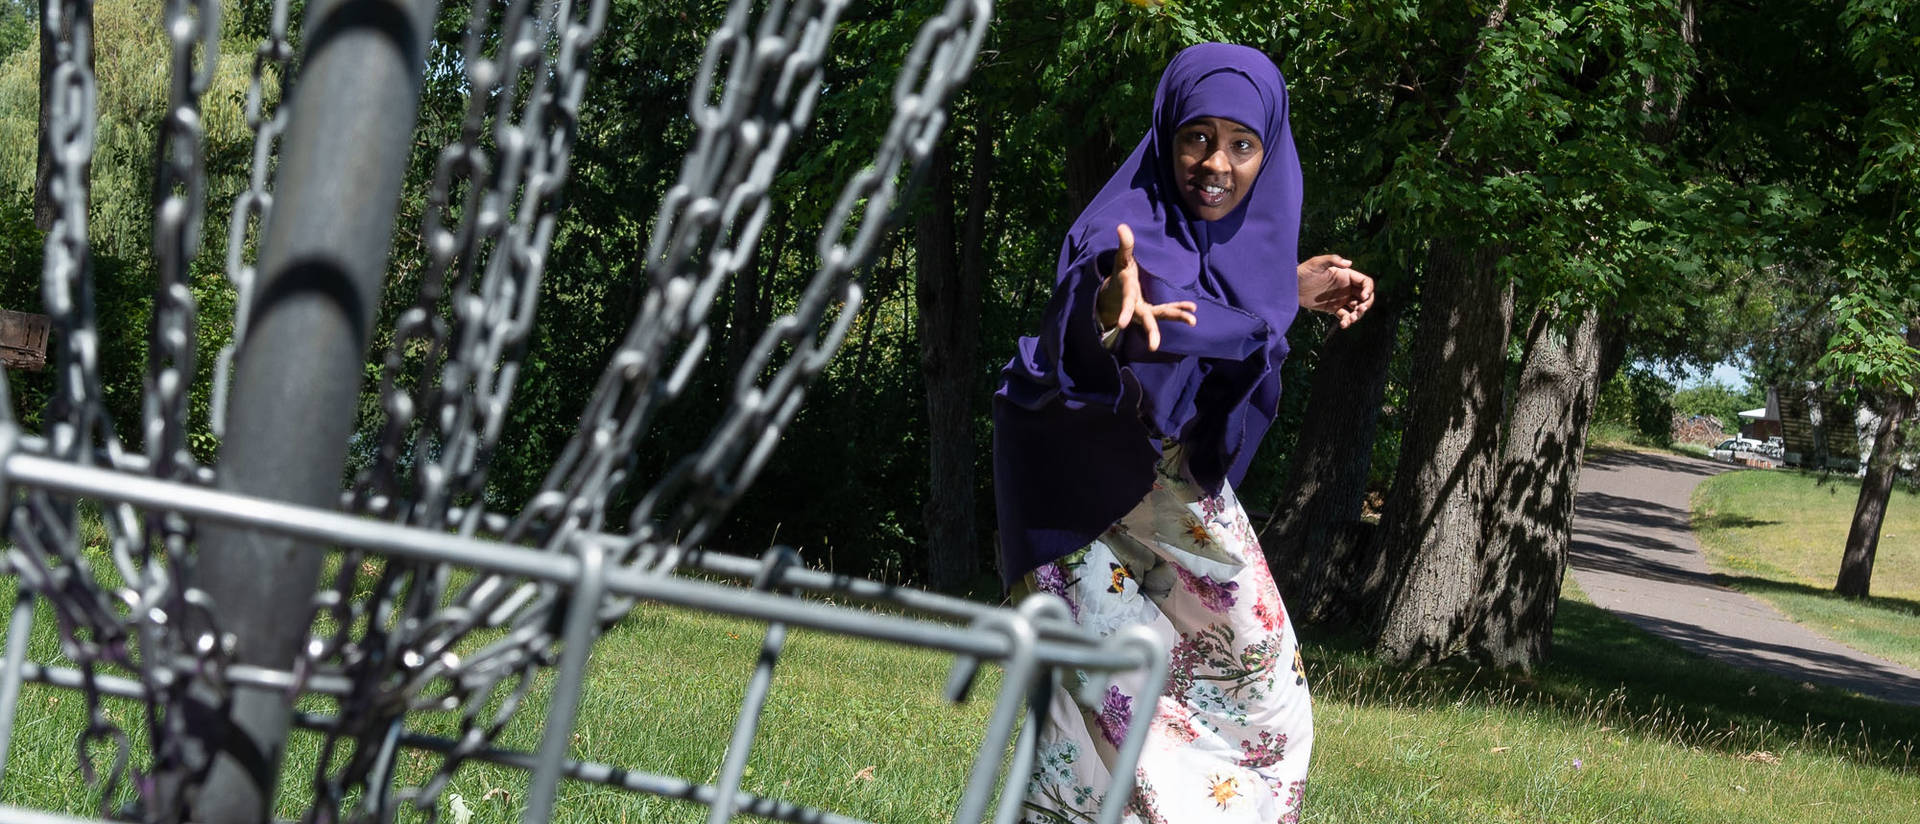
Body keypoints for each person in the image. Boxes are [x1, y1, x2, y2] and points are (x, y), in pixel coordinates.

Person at [992, 43, 1374, 823]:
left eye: (1242, 144)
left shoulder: (1243, 245)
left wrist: (1287, 289)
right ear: (1168, 133)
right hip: (1078, 490)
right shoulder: (1122, 223)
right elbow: (1101, 282)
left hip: (1169, 482)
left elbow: (1214, 308)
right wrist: (1110, 304)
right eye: (1198, 136)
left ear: (1269, 152)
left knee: (1269, 697)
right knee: (1110, 709)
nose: (1216, 163)